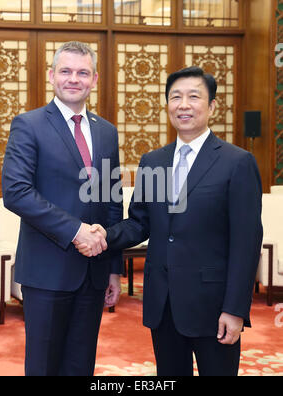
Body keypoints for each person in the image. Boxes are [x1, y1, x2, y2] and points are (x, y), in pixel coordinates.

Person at [76, 66, 263, 376]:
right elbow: (139, 222)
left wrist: (235, 309)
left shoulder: (237, 162)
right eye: (175, 97)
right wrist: (103, 235)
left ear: (212, 106)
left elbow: (246, 243)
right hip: (164, 304)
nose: (183, 105)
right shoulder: (154, 161)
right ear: (167, 106)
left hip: (213, 305)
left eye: (194, 97)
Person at [2, 41, 123, 376]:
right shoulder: (29, 124)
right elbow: (16, 192)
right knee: (44, 366)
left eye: (82, 72)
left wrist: (113, 267)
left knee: (80, 365)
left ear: (94, 79)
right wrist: (75, 230)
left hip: (94, 272)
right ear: (52, 76)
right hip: (46, 270)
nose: (74, 79)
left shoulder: (107, 132)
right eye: (66, 71)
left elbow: (112, 201)